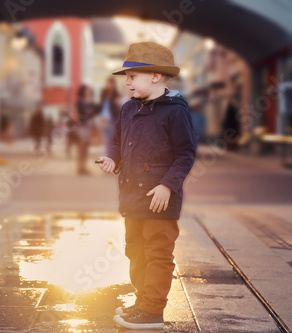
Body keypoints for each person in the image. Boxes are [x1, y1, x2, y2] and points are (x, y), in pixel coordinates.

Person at [97, 42, 197, 330]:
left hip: (159, 199)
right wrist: (112, 160)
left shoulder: (175, 112)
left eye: (132, 76)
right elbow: (118, 144)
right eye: (126, 78)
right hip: (132, 197)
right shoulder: (128, 109)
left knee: (158, 253)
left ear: (155, 76)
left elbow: (185, 154)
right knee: (135, 251)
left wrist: (168, 186)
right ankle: (143, 302)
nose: (126, 83)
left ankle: (153, 312)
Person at [76, 84, 97, 175]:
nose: (88, 91)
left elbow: (93, 112)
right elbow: (81, 113)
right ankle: (80, 166)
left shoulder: (91, 101)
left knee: (86, 146)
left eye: (89, 89)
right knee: (81, 146)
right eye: (87, 89)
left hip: (89, 125)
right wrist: (89, 112)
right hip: (82, 125)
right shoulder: (80, 101)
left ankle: (84, 166)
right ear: (83, 91)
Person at [98, 77, 121, 155]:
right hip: (103, 119)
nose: (109, 85)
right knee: (105, 139)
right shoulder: (103, 93)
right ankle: (107, 155)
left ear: (113, 84)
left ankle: (109, 155)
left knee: (111, 139)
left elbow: (116, 109)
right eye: (108, 83)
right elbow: (102, 105)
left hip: (111, 120)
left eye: (110, 84)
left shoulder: (116, 95)